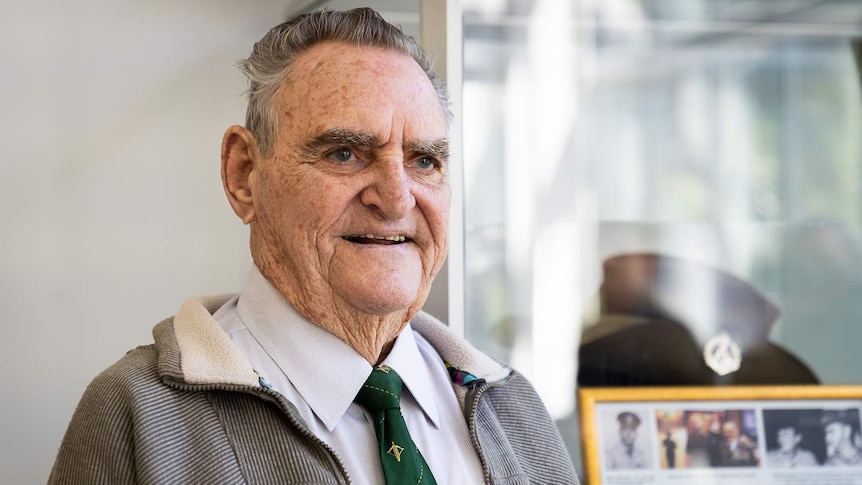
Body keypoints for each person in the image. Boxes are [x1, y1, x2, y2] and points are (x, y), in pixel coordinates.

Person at [48, 8, 578, 484]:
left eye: (424, 161)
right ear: (244, 175)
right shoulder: (138, 414)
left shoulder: (512, 408)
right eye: (345, 153)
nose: (396, 200)